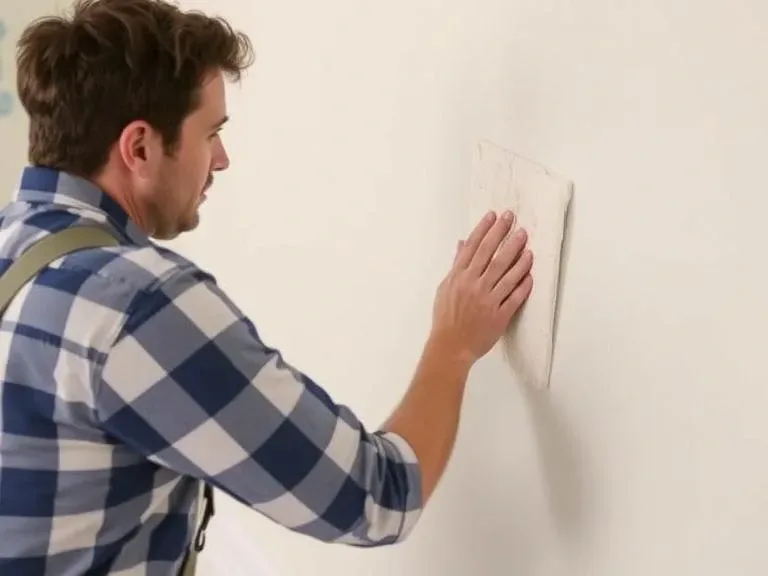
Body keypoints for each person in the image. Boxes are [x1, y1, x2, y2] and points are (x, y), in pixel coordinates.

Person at [0, 0, 534, 574]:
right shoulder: (135, 306)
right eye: (211, 133)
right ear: (139, 148)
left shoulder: (14, 241)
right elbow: (378, 499)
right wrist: (451, 347)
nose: (222, 159)